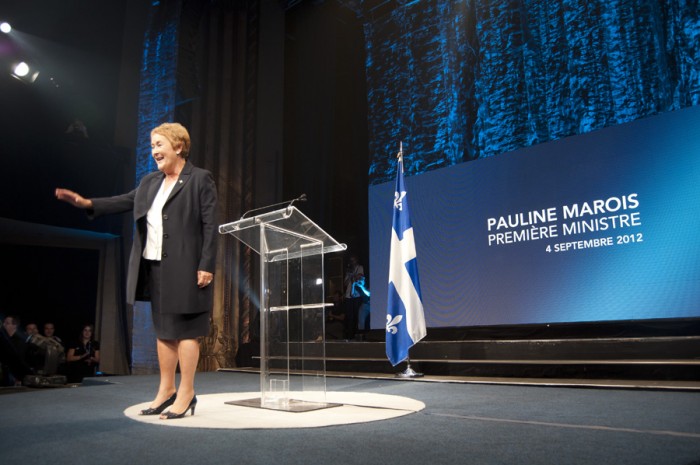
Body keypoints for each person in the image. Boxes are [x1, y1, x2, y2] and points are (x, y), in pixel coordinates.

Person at [56, 122, 217, 420]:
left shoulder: (200, 179)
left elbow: (210, 225)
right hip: (155, 266)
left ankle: (187, 392)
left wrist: (206, 264)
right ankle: (166, 390)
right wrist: (86, 203)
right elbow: (125, 201)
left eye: (159, 144)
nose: (154, 150)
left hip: (189, 266)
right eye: (152, 145)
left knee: (187, 333)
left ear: (178, 146)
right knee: (164, 332)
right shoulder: (149, 182)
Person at [0, 315, 31, 385]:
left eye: (7, 323)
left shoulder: (21, 342)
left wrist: (19, 377)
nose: (4, 325)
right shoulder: (5, 340)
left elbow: (20, 360)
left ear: (15, 326)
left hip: (15, 378)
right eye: (4, 323)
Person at [343, 254, 364, 340]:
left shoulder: (360, 267)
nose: (352, 262)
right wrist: (348, 276)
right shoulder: (349, 271)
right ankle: (349, 335)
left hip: (356, 295)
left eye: (353, 260)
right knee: (349, 316)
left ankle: (356, 333)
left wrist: (353, 275)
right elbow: (345, 283)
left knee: (356, 315)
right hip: (348, 296)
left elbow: (359, 277)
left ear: (356, 260)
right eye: (351, 261)